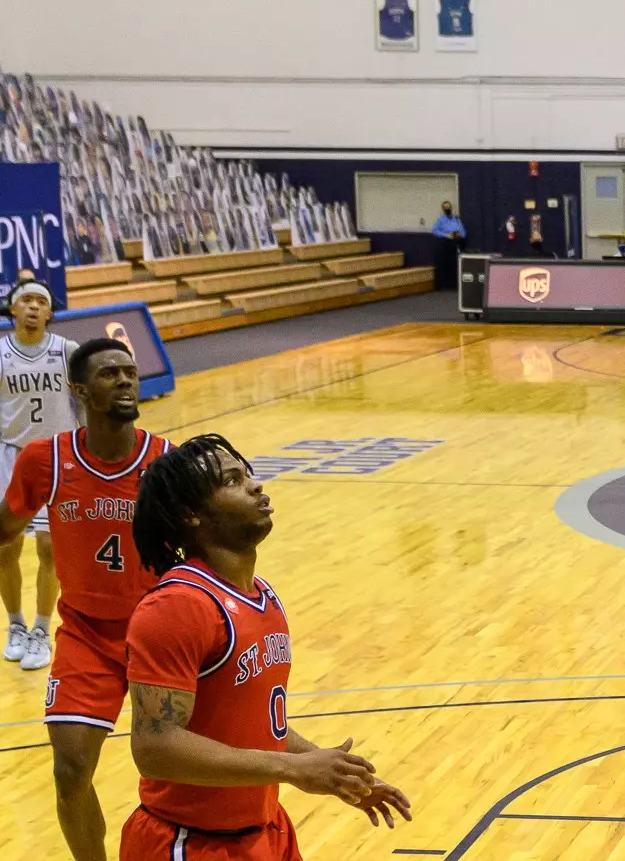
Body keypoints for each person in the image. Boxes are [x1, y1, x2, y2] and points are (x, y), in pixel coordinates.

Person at [120, 435, 411, 859]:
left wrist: (327, 768)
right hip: (190, 843)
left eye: (249, 475)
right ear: (191, 515)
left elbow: (259, 726)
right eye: (233, 481)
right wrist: (294, 769)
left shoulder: (260, 595)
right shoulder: (177, 606)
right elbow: (155, 748)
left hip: (266, 834)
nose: (255, 486)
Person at [0, 338, 170, 861]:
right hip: (86, 636)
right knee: (70, 771)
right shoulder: (43, 459)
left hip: (159, 635)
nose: (124, 380)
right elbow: (6, 529)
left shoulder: (166, 461)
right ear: (79, 390)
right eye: (109, 373)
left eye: (130, 371)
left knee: (176, 769)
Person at [1, 279, 77, 672]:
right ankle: (15, 624)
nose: (32, 307)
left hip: (56, 457)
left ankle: (41, 631)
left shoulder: (68, 352)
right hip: (9, 457)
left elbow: (85, 402)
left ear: (49, 311)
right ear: (12, 309)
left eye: (40, 301)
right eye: (25, 300)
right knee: (5, 547)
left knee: (50, 548)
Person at [430, 201, 465, 290]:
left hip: (454, 244)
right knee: (441, 265)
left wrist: (459, 234)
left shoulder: (456, 219)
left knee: (453, 265)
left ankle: (453, 285)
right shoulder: (441, 219)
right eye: (445, 207)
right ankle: (440, 286)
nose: (447, 208)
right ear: (443, 209)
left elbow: (463, 233)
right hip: (443, 243)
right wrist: (445, 235)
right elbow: (434, 231)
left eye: (448, 207)